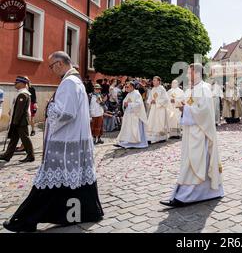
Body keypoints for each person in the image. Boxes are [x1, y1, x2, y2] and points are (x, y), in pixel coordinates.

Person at [3, 52, 103, 233]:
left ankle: (26, 220)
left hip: (64, 141)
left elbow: (66, 113)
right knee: (75, 179)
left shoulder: (69, 83)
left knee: (49, 181)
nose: (51, 70)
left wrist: (49, 107)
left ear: (59, 64)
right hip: (74, 139)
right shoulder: (76, 81)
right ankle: (87, 212)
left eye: (51, 66)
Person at [160, 63, 224, 207]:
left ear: (198, 73)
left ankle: (186, 196)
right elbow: (192, 108)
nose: (188, 75)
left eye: (190, 72)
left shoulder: (204, 88)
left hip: (201, 133)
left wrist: (186, 109)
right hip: (191, 132)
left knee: (196, 162)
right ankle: (204, 192)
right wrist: (184, 109)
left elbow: (205, 112)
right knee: (191, 162)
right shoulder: (190, 90)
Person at [0, 76, 35, 163]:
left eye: (17, 82)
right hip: (19, 121)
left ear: (22, 83)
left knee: (25, 139)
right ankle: (7, 155)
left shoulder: (22, 94)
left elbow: (19, 111)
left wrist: (14, 122)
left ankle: (31, 156)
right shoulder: (22, 93)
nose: (15, 84)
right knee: (14, 139)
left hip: (20, 122)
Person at [115, 82, 148, 149]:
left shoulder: (137, 94)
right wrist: (125, 104)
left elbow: (139, 104)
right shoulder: (129, 94)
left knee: (134, 129)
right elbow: (124, 101)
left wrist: (129, 104)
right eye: (126, 87)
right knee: (127, 129)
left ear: (132, 87)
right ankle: (127, 141)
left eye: (128, 87)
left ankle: (136, 142)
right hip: (129, 115)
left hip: (135, 115)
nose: (126, 88)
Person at [146, 76, 169, 144]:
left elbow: (166, 99)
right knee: (152, 122)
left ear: (159, 81)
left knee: (159, 122)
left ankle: (161, 137)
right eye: (153, 80)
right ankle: (150, 138)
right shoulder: (153, 89)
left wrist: (157, 101)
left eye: (155, 80)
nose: (153, 82)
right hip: (153, 108)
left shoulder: (162, 89)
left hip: (160, 109)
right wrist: (150, 101)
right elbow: (149, 98)